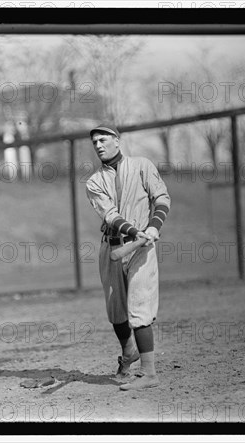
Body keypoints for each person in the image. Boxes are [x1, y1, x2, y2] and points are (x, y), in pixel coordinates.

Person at [85, 123, 171, 391]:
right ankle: (128, 352)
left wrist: (154, 227)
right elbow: (111, 215)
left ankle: (149, 373)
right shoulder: (94, 182)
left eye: (103, 140)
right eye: (95, 142)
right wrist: (137, 231)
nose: (98, 145)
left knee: (139, 307)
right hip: (113, 247)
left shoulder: (142, 166)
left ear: (117, 141)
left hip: (141, 251)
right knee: (116, 311)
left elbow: (162, 199)